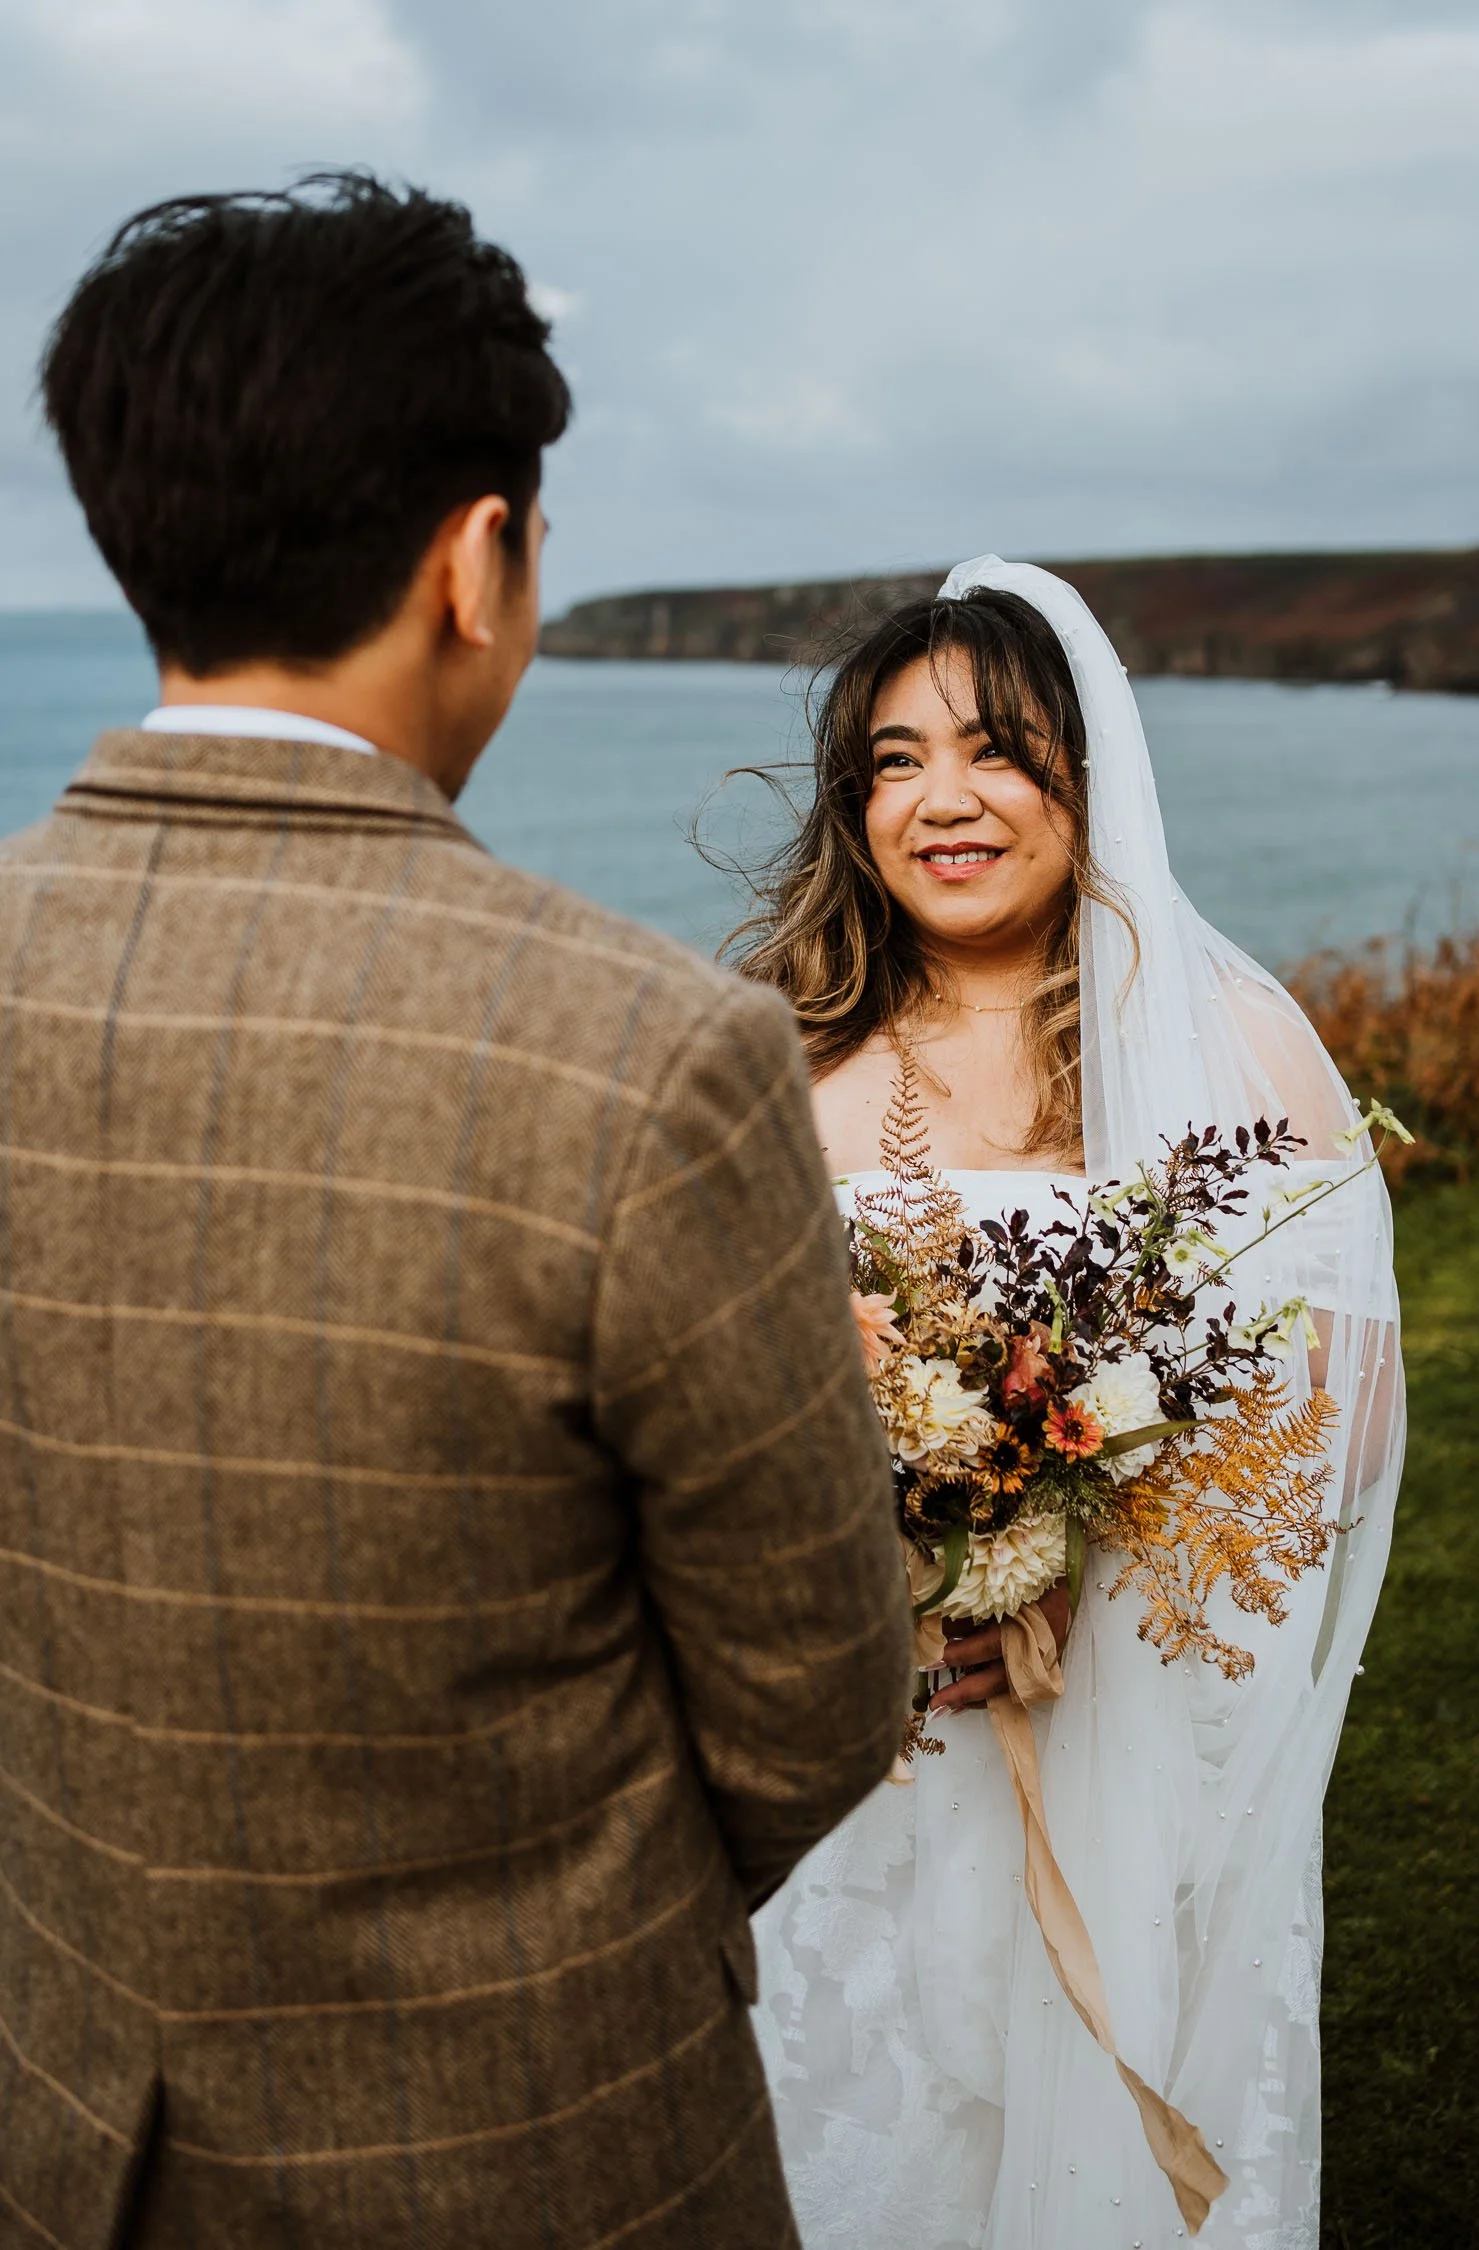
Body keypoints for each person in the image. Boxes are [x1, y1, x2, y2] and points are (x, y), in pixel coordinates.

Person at [0, 173, 912, 2250]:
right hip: (541, 2143)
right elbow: (818, 1699)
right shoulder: (649, 1058)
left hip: (66, 2134)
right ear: (476, 560)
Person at [734, 558, 1404, 2249]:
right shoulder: (776, 1049)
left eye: (994, 750)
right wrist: (883, 1581)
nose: (940, 800)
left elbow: (1343, 1423)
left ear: (1083, 778)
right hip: (855, 1756)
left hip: (1122, 1731)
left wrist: (1047, 1573)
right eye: (891, 760)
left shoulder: (1228, 1053)